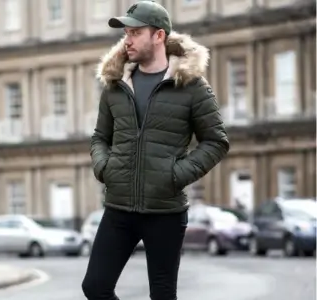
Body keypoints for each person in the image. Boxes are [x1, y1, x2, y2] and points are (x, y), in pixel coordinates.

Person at [82, 1, 229, 300]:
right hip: (119, 208)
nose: (127, 40)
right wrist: (104, 167)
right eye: (126, 33)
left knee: (162, 294)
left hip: (166, 211)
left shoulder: (192, 87)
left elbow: (216, 141)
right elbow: (100, 138)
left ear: (158, 36)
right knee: (95, 287)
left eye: (135, 32)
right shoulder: (115, 85)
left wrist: (174, 175)